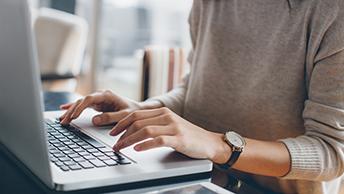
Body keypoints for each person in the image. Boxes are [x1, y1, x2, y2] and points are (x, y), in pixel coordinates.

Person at [59, 1, 344, 193]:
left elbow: (331, 153)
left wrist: (219, 145)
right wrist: (142, 111)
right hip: (195, 180)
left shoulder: (332, 12)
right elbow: (193, 89)